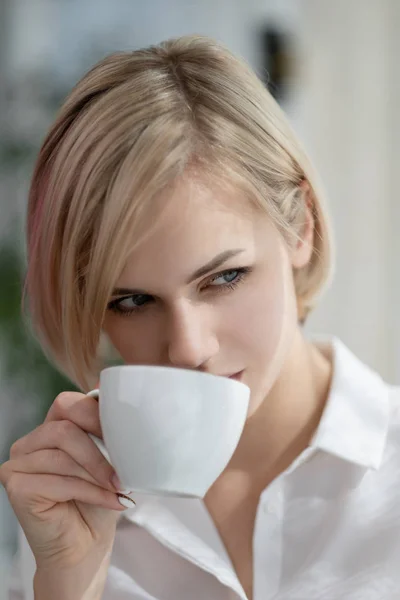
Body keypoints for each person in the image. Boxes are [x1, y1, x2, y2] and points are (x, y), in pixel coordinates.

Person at [1, 34, 399, 600]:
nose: (187, 349)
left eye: (224, 277)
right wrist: (68, 583)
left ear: (301, 227)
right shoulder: (70, 516)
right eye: (132, 301)